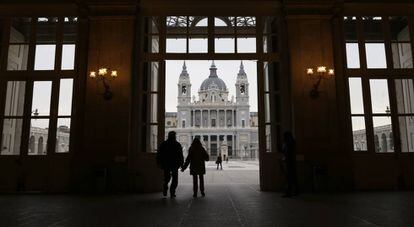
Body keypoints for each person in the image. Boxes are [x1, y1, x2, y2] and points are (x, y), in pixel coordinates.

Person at [156, 131, 184, 198]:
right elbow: (180, 155)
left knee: (166, 178)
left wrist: (159, 162)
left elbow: (159, 154)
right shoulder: (177, 144)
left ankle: (165, 188)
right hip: (174, 164)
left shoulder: (164, 144)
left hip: (166, 164)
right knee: (174, 179)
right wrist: (181, 164)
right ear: (174, 136)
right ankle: (172, 192)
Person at [281, 131, 299, 197]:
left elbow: (286, 152)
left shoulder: (288, 143)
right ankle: (295, 191)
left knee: (289, 178)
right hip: (291, 162)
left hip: (289, 162)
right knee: (293, 177)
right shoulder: (291, 142)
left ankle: (289, 192)